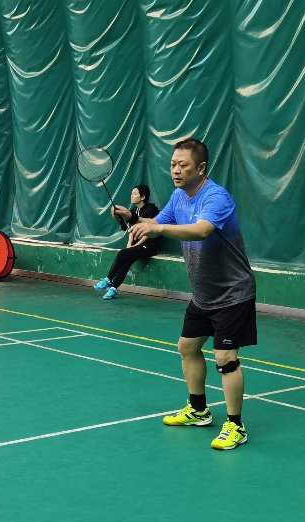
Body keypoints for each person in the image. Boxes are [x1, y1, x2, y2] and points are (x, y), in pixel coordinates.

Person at [128, 138, 257, 451]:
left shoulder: (216, 197)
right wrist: (132, 220)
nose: (175, 170)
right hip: (203, 295)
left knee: (226, 358)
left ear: (200, 168)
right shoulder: (178, 197)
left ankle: (236, 426)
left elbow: (201, 231)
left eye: (182, 165)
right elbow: (156, 223)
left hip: (233, 292)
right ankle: (199, 410)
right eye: (172, 164)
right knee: (187, 347)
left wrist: (157, 229)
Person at [94, 184, 160, 300]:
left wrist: (135, 246)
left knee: (123, 253)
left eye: (134, 194)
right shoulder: (133, 211)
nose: (131, 196)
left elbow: (149, 232)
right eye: (131, 194)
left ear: (143, 197)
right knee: (126, 259)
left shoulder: (151, 210)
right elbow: (130, 230)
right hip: (136, 246)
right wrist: (129, 245)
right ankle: (113, 288)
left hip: (149, 246)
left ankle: (108, 279)